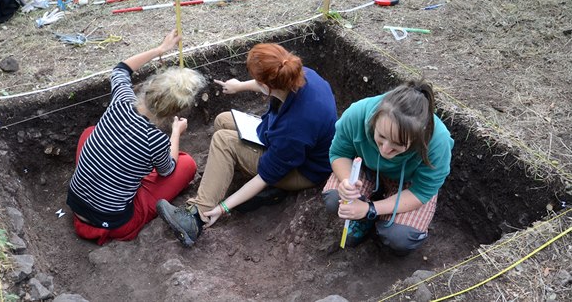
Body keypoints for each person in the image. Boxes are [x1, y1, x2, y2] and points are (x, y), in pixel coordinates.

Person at [156, 43, 338, 247]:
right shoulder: (299, 73)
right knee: (223, 120)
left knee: (223, 141)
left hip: (302, 170)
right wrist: (240, 85)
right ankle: (231, 175)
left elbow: (266, 175)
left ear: (267, 86)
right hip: (287, 144)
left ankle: (197, 217)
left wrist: (223, 207)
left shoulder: (295, 127)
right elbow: (268, 82)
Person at [66, 29, 205, 245]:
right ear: (173, 113)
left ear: (150, 85)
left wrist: (160, 49)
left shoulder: (121, 100)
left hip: (77, 205)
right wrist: (176, 133)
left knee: (89, 133)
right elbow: (168, 170)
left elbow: (121, 69)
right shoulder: (155, 139)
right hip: (116, 224)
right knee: (185, 164)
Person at [323, 80, 454, 255]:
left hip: (408, 182)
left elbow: (422, 191)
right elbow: (339, 153)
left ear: (417, 138)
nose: (385, 149)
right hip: (368, 168)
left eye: (398, 145)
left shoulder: (437, 141)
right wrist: (347, 182)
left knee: (400, 238)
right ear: (374, 120)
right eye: (381, 137)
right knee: (335, 199)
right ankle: (365, 213)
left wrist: (370, 209)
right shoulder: (357, 114)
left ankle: (373, 214)